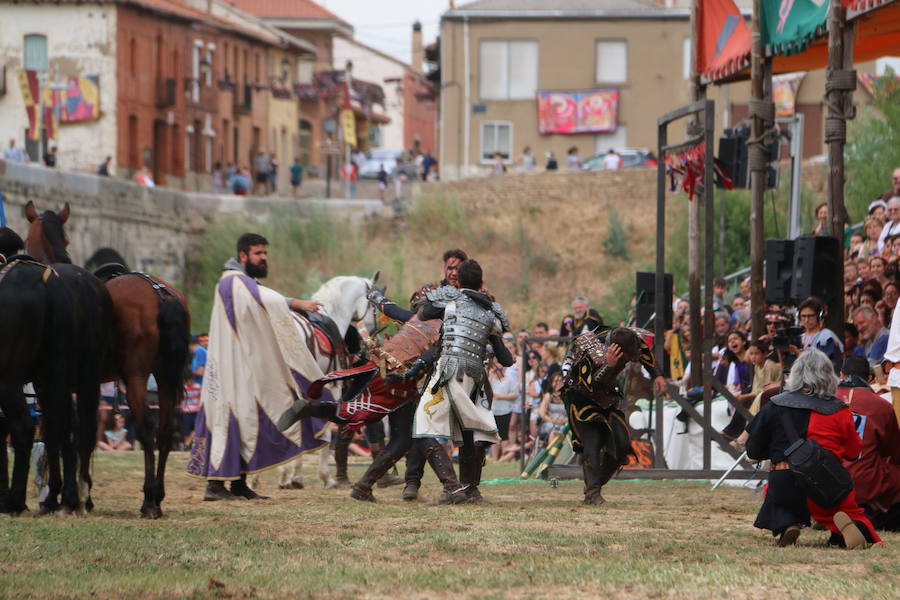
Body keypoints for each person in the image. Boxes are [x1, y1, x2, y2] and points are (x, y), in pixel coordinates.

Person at [186, 233, 327, 501]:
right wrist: (298, 304)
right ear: (243, 256)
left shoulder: (242, 282)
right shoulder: (232, 281)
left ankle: (238, 484)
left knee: (247, 421)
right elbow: (262, 298)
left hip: (240, 367)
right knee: (230, 420)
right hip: (228, 371)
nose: (263, 258)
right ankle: (215, 487)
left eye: (265, 253)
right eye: (258, 254)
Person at [745, 349, 882, 549]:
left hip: (784, 482)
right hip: (827, 484)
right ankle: (847, 528)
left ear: (795, 374)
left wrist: (775, 451)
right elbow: (853, 453)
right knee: (849, 512)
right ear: (830, 376)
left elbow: (753, 450)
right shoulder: (841, 410)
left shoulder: (774, 405)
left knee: (776, 494)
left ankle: (787, 523)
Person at [363, 248, 470, 501]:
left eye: (458, 268)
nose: (453, 272)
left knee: (456, 432)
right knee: (412, 431)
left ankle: (465, 487)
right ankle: (417, 483)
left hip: (456, 372)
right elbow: (411, 319)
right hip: (416, 373)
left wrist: (380, 301)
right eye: (450, 267)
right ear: (444, 268)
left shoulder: (474, 297)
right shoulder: (431, 294)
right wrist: (381, 302)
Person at [413, 260, 514, 504]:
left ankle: (452, 487)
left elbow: (423, 313)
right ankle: (471, 490)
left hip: (448, 371)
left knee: (423, 427)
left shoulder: (450, 300)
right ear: (481, 283)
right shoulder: (492, 313)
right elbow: (506, 359)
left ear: (457, 281)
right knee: (471, 434)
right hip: (476, 376)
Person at [561, 326, 644, 505]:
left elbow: (644, 355)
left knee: (622, 446)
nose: (630, 359)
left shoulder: (626, 340)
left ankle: (595, 484)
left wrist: (658, 375)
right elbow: (588, 387)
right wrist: (609, 366)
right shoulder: (588, 352)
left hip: (608, 399)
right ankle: (592, 493)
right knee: (592, 442)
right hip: (581, 397)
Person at [835, 356, 900, 531]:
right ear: (870, 379)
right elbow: (893, 451)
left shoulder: (824, 399)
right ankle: (873, 510)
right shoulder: (881, 405)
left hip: (822, 478)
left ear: (841, 375)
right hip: (863, 479)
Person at [793, 297, 843, 372]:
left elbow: (823, 365)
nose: (806, 320)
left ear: (819, 316)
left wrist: (797, 352)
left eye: (810, 316)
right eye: (803, 316)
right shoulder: (799, 337)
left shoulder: (826, 336)